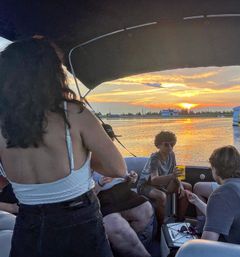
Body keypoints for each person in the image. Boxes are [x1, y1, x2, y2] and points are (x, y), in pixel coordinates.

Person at [0, 37, 127, 257]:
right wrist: (84, 159)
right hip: (78, 223)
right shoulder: (73, 114)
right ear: (51, 73)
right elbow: (118, 169)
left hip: (28, 225)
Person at [137, 131, 192, 226]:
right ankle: (161, 227)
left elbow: (176, 173)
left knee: (187, 187)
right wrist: (172, 176)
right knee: (161, 196)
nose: (170, 147)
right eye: (166, 145)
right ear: (158, 145)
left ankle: (180, 221)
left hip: (163, 184)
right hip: (146, 185)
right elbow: (154, 180)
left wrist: (181, 186)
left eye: (172, 144)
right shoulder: (155, 158)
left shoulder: (172, 154)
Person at [93, 172, 154, 257]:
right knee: (116, 225)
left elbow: (125, 178)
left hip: (122, 191)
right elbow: (86, 195)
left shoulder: (114, 160)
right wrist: (100, 183)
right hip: (101, 197)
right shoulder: (87, 161)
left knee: (146, 209)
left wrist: (130, 178)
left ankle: (131, 247)